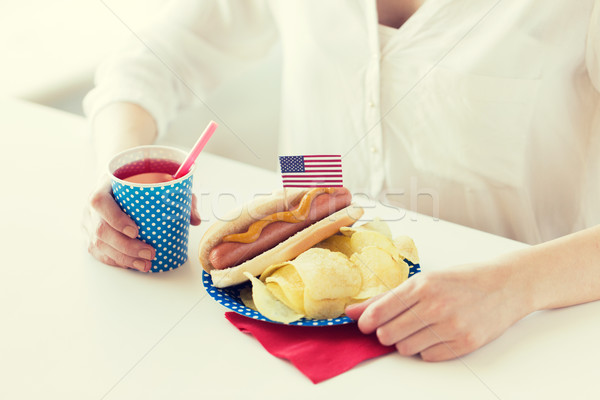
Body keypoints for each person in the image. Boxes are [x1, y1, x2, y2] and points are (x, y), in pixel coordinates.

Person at [83, 0, 600, 360]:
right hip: (286, 315)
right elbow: (153, 59)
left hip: (514, 336)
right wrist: (116, 172)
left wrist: (513, 287)